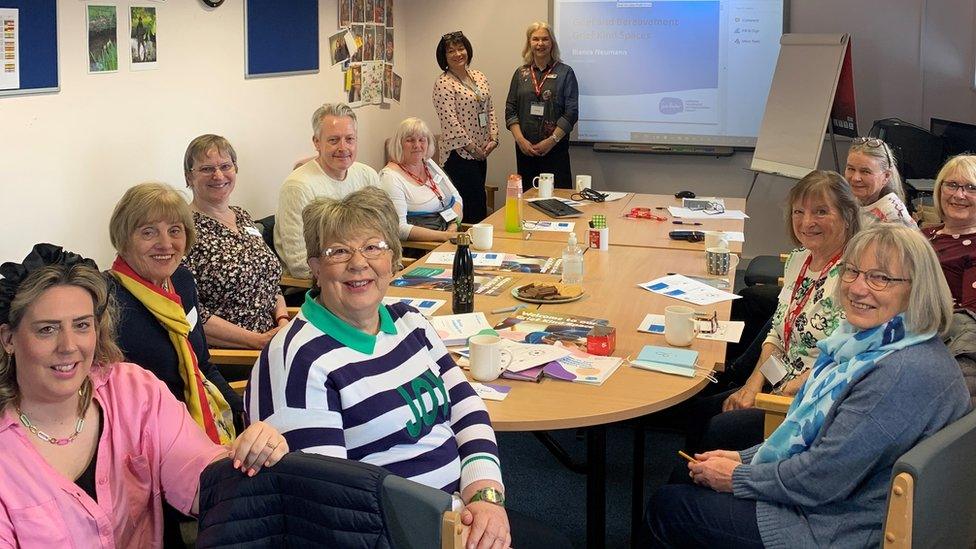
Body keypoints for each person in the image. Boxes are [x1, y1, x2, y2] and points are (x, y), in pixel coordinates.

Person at [248, 187, 569, 549]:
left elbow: (467, 407)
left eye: (373, 247)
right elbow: (326, 504)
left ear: (394, 259)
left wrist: (485, 497)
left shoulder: (409, 322)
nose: (358, 263)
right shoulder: (296, 359)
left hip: (456, 512)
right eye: (338, 251)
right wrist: (445, 529)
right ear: (315, 267)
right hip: (394, 534)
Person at [645, 223, 971, 548]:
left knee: (669, 507)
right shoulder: (879, 344)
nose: (858, 288)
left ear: (917, 289)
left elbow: (822, 478)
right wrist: (744, 460)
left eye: (880, 278)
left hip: (834, 528)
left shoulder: (897, 374)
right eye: (853, 272)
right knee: (685, 478)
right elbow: (816, 439)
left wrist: (737, 477)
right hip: (834, 502)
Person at [0, 244, 287, 546]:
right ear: (8, 339)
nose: (69, 346)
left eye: (82, 325)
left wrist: (252, 454)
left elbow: (203, 481)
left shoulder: (134, 391)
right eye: (47, 329)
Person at [670, 171, 862, 452]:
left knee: (717, 427)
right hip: (778, 379)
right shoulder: (799, 260)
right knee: (700, 411)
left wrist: (774, 396)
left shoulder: (853, 277)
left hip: (808, 399)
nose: (807, 222)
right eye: (799, 211)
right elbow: (776, 332)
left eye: (821, 212)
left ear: (846, 216)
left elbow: (845, 360)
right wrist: (752, 384)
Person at [108, 183, 243, 440]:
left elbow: (202, 363)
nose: (166, 243)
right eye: (149, 233)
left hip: (203, 418)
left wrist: (241, 413)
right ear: (124, 239)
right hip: (149, 434)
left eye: (175, 231)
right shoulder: (106, 299)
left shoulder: (181, 280)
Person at [181, 134, 289, 350]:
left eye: (225, 166)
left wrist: (283, 321)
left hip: (274, 340)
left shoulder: (242, 216)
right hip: (234, 354)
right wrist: (258, 341)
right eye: (206, 169)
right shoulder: (183, 230)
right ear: (188, 178)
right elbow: (190, 314)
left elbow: (269, 281)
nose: (218, 175)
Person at [274, 102, 380, 279]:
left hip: (366, 273)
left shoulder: (367, 175)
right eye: (333, 140)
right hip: (322, 285)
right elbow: (300, 264)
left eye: (349, 139)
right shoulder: (298, 187)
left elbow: (380, 236)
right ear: (316, 142)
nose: (343, 147)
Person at [432, 31, 499, 222]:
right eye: (451, 51)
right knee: (472, 206)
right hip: (459, 156)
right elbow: (450, 122)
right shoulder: (443, 83)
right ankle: (468, 248)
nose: (457, 54)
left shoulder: (478, 75)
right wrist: (472, 148)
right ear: (444, 57)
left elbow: (490, 108)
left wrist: (493, 138)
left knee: (478, 202)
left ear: (467, 50)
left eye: (460, 48)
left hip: (482, 152)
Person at [505, 22, 579, 190]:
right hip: (526, 151)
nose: (540, 44)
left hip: (555, 150)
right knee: (528, 203)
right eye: (535, 39)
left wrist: (551, 141)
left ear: (552, 43)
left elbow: (571, 113)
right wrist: (520, 140)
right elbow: (510, 110)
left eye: (545, 39)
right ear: (529, 43)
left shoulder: (565, 72)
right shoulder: (520, 73)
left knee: (558, 201)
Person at [379, 117, 463, 242]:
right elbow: (399, 228)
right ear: (399, 144)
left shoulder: (428, 163)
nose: (417, 145)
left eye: (422, 140)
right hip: (423, 247)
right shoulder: (390, 177)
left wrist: (453, 226)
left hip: (449, 235)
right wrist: (445, 236)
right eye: (410, 140)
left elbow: (456, 197)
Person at [923, 154, 976, 310]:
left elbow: (970, 319)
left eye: (972, 187)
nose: (959, 195)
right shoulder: (923, 234)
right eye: (952, 185)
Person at [845, 136, 915, 227]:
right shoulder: (853, 200)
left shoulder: (893, 219)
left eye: (865, 171)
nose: (855, 178)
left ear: (886, 176)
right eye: (851, 169)